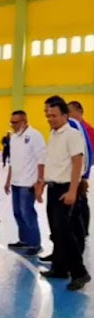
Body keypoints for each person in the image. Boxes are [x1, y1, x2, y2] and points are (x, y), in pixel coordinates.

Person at [40, 99, 91, 291]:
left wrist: (72, 190)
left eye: (53, 115)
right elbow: (53, 162)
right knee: (56, 231)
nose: (49, 119)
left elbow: (77, 162)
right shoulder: (53, 134)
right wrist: (42, 183)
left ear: (65, 115)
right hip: (53, 188)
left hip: (66, 189)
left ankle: (80, 273)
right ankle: (60, 269)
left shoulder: (73, 134)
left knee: (65, 233)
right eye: (47, 115)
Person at [4, 111, 46, 256]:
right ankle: (24, 240)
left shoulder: (35, 135)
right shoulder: (14, 137)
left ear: (23, 122)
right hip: (16, 182)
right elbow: (12, 161)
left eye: (15, 122)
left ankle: (35, 243)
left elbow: (42, 160)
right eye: (11, 122)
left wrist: (40, 181)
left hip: (28, 182)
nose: (12, 125)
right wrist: (8, 180)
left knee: (27, 212)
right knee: (17, 213)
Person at [68, 100, 94, 236]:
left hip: (81, 172)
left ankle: (83, 230)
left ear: (79, 112)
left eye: (70, 111)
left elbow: (89, 153)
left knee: (82, 201)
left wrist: (84, 175)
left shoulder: (87, 129)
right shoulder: (73, 128)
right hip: (74, 172)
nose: (68, 115)